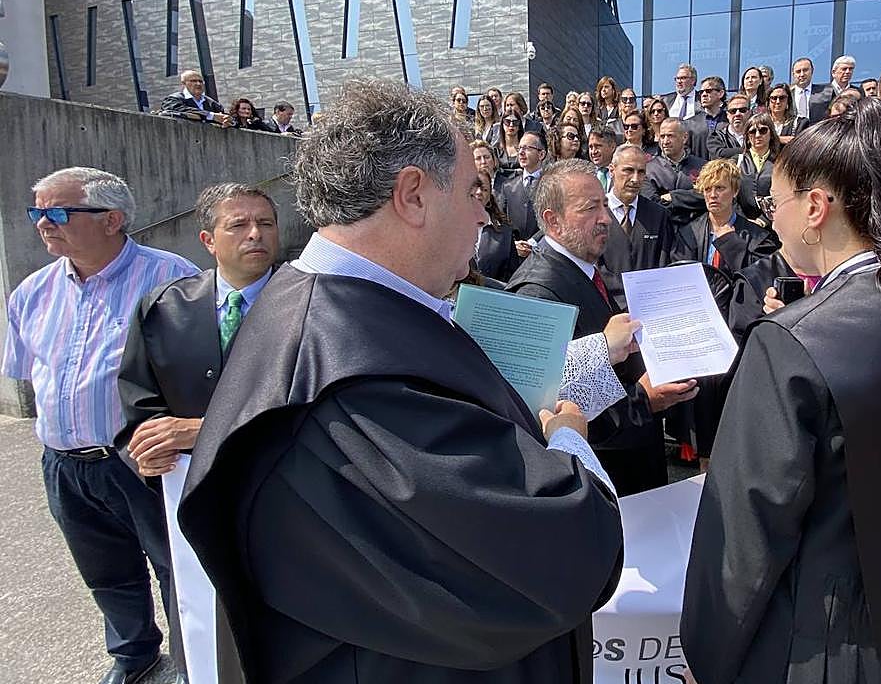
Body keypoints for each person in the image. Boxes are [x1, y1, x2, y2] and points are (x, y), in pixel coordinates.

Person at [176, 80, 625, 684]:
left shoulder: (323, 309)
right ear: (413, 195)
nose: (483, 215)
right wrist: (567, 439)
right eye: (472, 191)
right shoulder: (359, 386)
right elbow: (576, 554)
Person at [681, 99, 881, 684]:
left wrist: (709, 652)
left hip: (816, 643)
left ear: (815, 206)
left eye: (773, 203)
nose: (771, 219)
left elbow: (743, 537)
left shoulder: (791, 341)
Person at [4, 167, 199, 684]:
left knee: (174, 567)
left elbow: (202, 368)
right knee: (106, 571)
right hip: (64, 465)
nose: (44, 224)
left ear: (112, 220)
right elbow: (29, 373)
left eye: (59, 213)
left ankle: (191, 660)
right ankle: (133, 654)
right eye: (38, 213)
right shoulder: (32, 291)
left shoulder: (170, 278)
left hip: (142, 461)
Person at [116, 183, 279, 684]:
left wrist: (205, 430)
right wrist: (141, 452)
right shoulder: (164, 309)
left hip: (283, 497)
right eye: (239, 225)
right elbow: (139, 405)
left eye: (266, 224)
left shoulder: (309, 302)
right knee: (208, 626)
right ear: (208, 240)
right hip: (193, 501)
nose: (256, 235)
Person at [507, 159, 699, 495]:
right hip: (607, 484)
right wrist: (645, 400)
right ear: (553, 221)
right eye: (590, 208)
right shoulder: (537, 292)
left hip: (634, 465)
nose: (606, 219)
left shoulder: (582, 267)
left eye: (604, 206)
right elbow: (556, 411)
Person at [671, 159, 773, 275]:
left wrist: (731, 244)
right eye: (707, 189)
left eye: (720, 188)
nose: (713, 195)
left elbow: (761, 276)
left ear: (735, 191)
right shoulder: (688, 234)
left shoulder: (758, 237)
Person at [601, 144, 673, 276]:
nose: (635, 179)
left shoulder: (658, 215)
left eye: (641, 172)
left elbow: (664, 264)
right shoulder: (595, 214)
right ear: (612, 170)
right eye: (628, 170)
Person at [473, 169, 523, 281]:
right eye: (475, 187)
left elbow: (512, 275)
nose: (479, 192)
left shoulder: (504, 231)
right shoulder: (451, 225)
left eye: (484, 189)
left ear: (490, 196)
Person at [496, 130, 547, 240]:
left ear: (541, 154)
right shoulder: (508, 187)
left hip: (544, 251)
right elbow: (502, 221)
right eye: (520, 148)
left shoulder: (553, 184)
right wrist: (514, 244)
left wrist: (534, 242)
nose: (521, 152)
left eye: (527, 148)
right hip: (515, 252)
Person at [643, 117, 704, 202]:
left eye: (670, 136)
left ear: (685, 137)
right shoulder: (648, 169)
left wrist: (673, 197)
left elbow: (706, 197)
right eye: (662, 137)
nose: (665, 141)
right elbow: (651, 202)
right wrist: (690, 196)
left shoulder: (703, 167)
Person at [736, 111, 782, 222]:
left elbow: (783, 197)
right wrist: (743, 220)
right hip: (743, 224)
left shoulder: (781, 162)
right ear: (747, 137)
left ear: (771, 134)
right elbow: (731, 196)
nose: (757, 135)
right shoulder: (736, 161)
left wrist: (763, 221)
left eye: (763, 130)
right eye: (752, 132)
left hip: (773, 225)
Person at [160, 71, 230, 125]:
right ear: (184, 83)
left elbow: (226, 118)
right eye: (193, 81)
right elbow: (178, 110)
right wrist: (211, 116)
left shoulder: (213, 103)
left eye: (200, 81)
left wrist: (227, 121)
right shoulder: (173, 99)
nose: (198, 84)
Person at [809, 55, 856, 123]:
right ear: (833, 72)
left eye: (851, 69)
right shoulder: (820, 92)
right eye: (844, 69)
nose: (848, 72)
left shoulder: (857, 92)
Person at [708, 92, 749, 158]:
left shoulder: (757, 134)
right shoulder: (716, 137)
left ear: (749, 113)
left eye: (743, 110)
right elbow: (719, 154)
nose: (737, 114)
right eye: (733, 111)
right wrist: (750, 150)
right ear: (727, 115)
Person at [588, 127, 618, 192]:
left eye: (598, 146)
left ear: (612, 147)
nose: (593, 152)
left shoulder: (621, 172)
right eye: (590, 147)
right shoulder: (585, 174)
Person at [789, 56, 816, 122]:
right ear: (793, 74)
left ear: (812, 71)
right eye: (798, 71)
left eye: (805, 70)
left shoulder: (826, 92)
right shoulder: (787, 95)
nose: (802, 74)